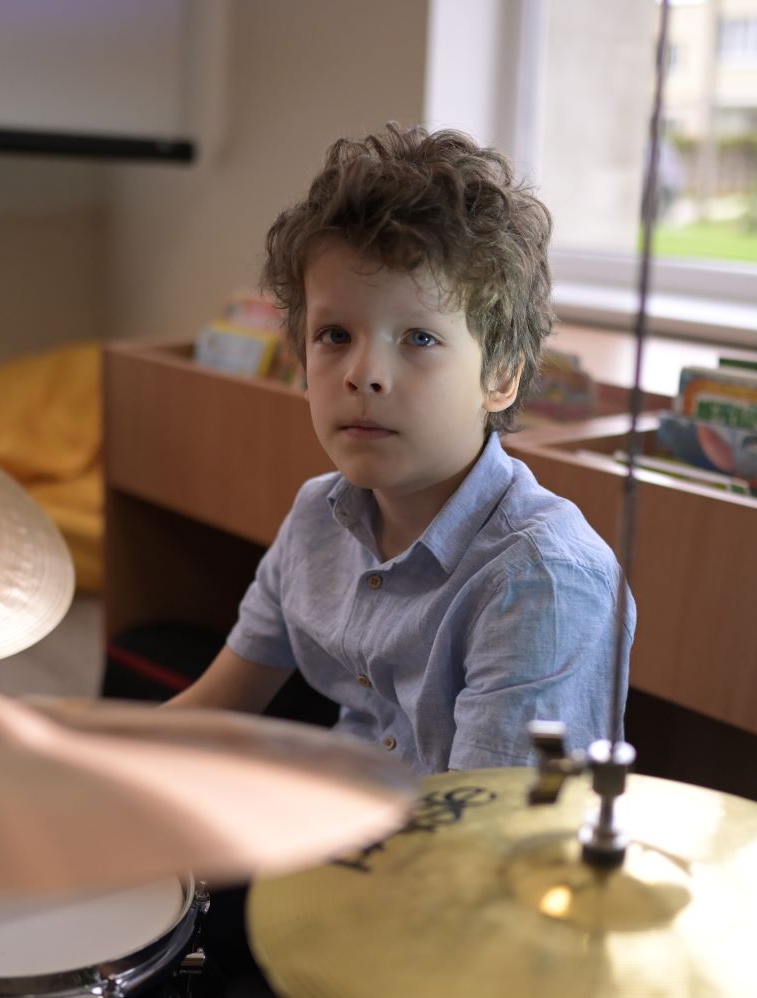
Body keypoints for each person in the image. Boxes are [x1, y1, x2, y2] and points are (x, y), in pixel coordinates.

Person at [168, 123, 634, 775]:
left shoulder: (539, 581)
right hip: (345, 821)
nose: (364, 375)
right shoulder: (317, 518)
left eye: (418, 338)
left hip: (454, 841)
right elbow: (211, 712)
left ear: (500, 376)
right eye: (334, 335)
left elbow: (483, 828)